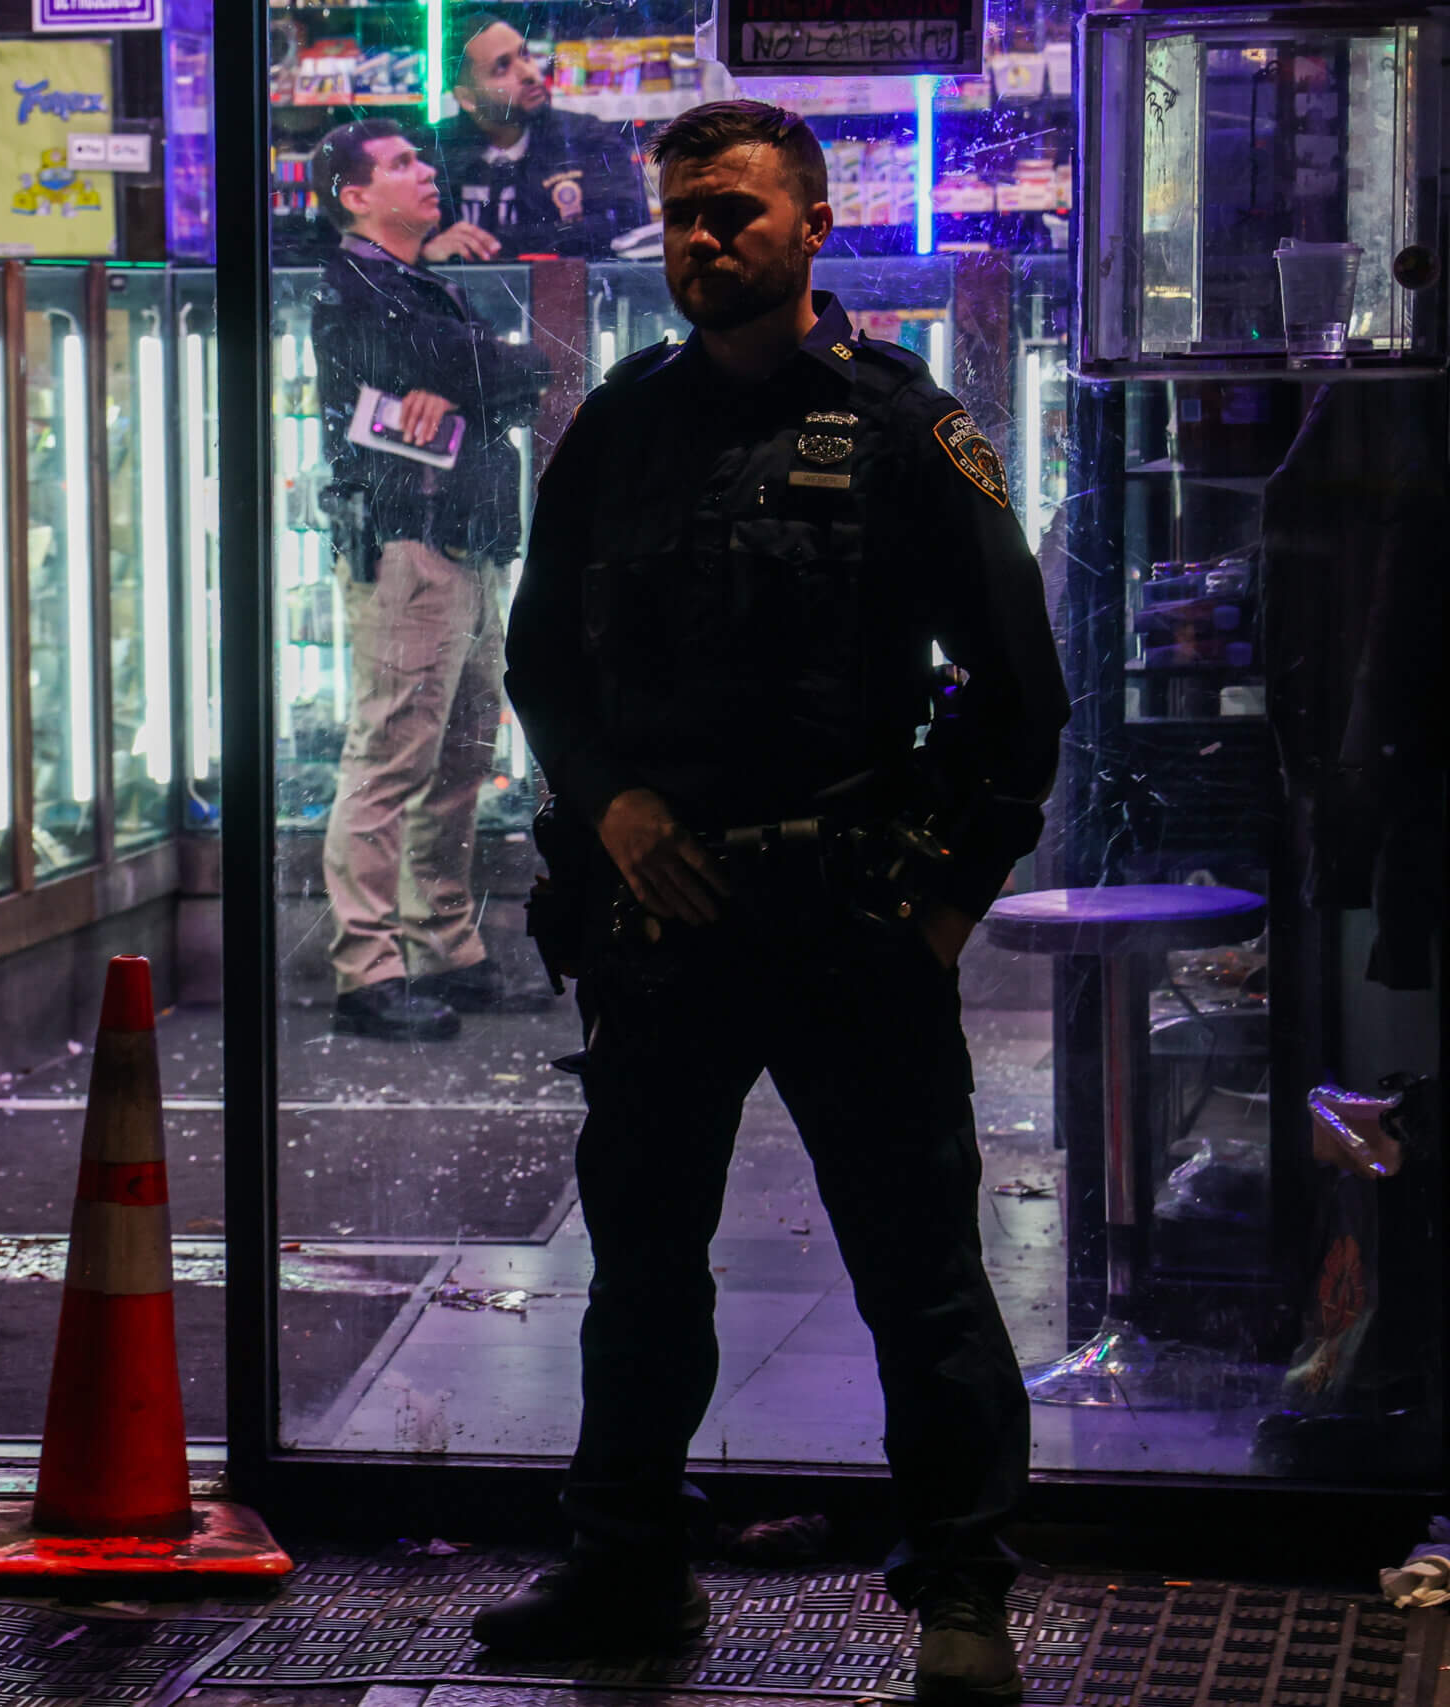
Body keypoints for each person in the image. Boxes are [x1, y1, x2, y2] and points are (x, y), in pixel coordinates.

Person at [483, 102, 1068, 1707]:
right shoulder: (621, 427)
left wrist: (945, 905)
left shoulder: (902, 429)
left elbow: (1021, 693)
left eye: (734, 210)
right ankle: (625, 1565)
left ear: (813, 224)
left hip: (846, 920)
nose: (701, 239)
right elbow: (542, 657)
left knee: (921, 1275)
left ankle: (961, 1593)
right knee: (644, 1266)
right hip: (661, 922)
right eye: (679, 214)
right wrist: (608, 801)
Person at [307, 117, 554, 1042]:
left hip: (463, 543)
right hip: (410, 545)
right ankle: (365, 969)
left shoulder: (419, 285)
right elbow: (482, 367)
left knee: (458, 755)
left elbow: (520, 372)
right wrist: (475, 375)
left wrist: (473, 378)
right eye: (401, 164)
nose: (426, 172)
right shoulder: (355, 286)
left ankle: (442, 944)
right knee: (392, 756)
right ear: (354, 196)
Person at [430, 11, 648, 260]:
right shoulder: (433, 153)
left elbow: (629, 226)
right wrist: (426, 250)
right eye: (502, 68)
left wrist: (500, 243)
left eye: (525, 55)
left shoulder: (587, 138)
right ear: (467, 98)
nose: (529, 73)